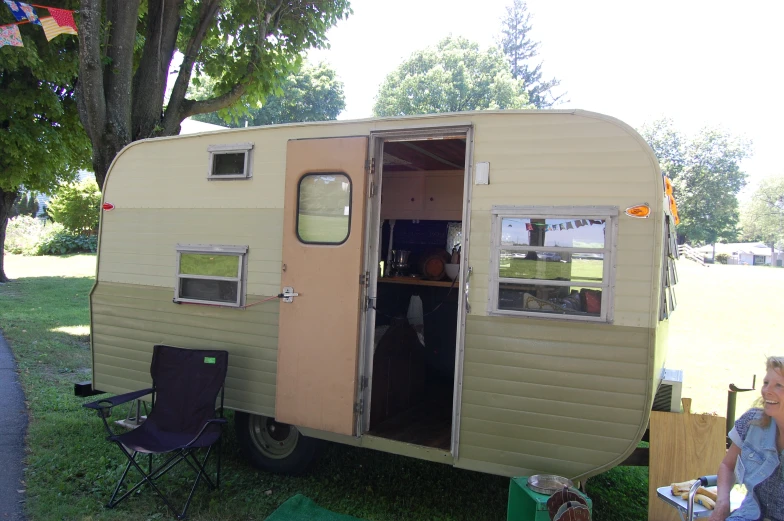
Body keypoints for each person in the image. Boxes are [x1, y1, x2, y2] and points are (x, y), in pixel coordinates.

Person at [709, 356, 784, 521]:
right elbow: (727, 466)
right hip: (750, 515)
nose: (767, 391)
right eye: (766, 383)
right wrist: (722, 505)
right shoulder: (751, 423)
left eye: (778, 385)